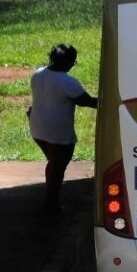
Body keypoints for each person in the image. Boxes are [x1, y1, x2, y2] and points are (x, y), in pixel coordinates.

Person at [29, 43, 97, 210]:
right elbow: (87, 101)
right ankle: (51, 203)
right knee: (58, 166)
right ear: (68, 62)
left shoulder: (38, 74)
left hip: (38, 128)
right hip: (58, 132)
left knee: (53, 163)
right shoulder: (67, 82)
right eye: (73, 62)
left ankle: (51, 198)